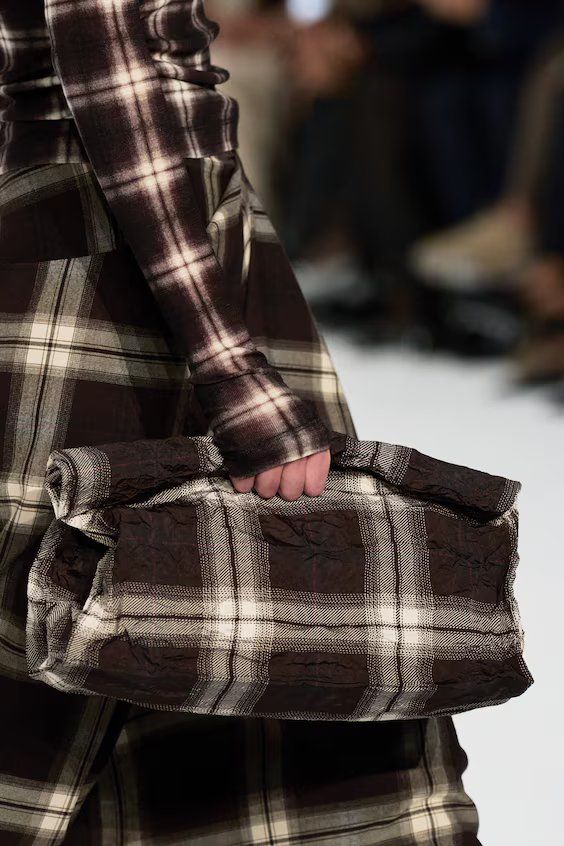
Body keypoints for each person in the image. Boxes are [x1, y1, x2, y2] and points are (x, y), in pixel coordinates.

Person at [0, 0, 480, 842]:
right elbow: (121, 89)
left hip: (99, 234)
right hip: (123, 253)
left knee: (179, 630)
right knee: (245, 621)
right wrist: (234, 371)